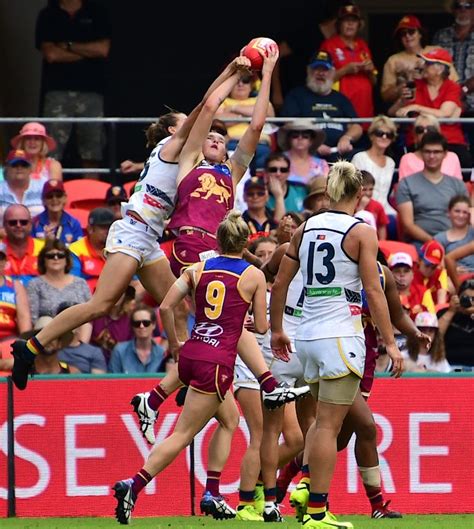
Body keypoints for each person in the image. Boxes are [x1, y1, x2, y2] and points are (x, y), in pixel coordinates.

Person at [112, 211, 269, 524]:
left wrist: (174, 344)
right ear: (245, 241)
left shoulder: (198, 268)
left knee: (229, 419)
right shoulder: (254, 275)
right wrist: (246, 320)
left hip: (193, 350)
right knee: (182, 434)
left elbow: (167, 306)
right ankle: (135, 484)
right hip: (217, 360)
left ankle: (211, 490)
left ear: (218, 239)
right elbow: (262, 328)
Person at [270, 161, 403, 528]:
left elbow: (280, 283)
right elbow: (374, 291)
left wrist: (277, 329)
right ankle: (317, 511)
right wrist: (390, 344)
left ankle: (304, 492)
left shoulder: (306, 227)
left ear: (329, 191)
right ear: (359, 194)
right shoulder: (361, 232)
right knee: (329, 427)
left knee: (319, 424)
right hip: (341, 336)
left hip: (307, 338)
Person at [35, 0, 112, 171]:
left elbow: (102, 49)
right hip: (57, 91)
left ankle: (92, 195)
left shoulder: (97, 12)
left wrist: (69, 46)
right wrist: (86, 54)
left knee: (92, 153)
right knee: (50, 152)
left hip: (92, 91)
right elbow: (51, 54)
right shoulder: (48, 14)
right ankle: (50, 193)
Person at [390, 48, 472, 172]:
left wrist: (415, 107)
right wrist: (402, 101)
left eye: (428, 64)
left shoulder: (452, 87)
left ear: (439, 69)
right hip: (418, 141)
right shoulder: (415, 85)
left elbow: (444, 114)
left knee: (464, 162)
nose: (423, 66)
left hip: (449, 141)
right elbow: (393, 113)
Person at [280, 51, 363, 163]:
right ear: (308, 71)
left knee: (361, 157)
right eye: (316, 69)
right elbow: (289, 125)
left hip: (340, 151)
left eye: (325, 70)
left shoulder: (341, 98)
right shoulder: (296, 96)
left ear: (332, 73)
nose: (321, 73)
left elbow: (356, 126)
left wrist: (346, 138)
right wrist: (313, 144)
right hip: (308, 151)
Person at [396, 131, 468, 249]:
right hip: (421, 243)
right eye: (427, 152)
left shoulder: (458, 185)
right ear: (421, 153)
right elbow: (408, 225)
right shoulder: (406, 183)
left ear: (445, 154)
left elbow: (467, 218)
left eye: (437, 152)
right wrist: (435, 243)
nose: (432, 156)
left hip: (455, 243)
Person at [381, 15, 458, 104]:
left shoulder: (436, 51)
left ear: (420, 33)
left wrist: (425, 76)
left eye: (411, 31)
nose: (407, 36)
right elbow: (385, 96)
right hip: (407, 110)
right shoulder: (393, 60)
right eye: (403, 33)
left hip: (438, 107)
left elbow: (454, 82)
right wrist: (404, 84)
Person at [320, 3, 376, 119]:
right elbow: (321, 80)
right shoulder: (329, 45)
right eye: (346, 20)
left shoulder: (363, 45)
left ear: (359, 25)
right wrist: (345, 70)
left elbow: (374, 81)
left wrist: (370, 70)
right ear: (339, 24)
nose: (350, 24)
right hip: (340, 109)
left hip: (365, 110)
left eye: (354, 21)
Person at [433, 1, 474, 155]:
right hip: (445, 106)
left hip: (472, 104)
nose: (463, 10)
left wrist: (462, 90)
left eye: (468, 6)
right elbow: (433, 66)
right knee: (448, 150)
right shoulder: (441, 35)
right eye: (458, 6)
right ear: (452, 10)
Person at [215, 71, 275, 173]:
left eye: (245, 81)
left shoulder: (259, 99)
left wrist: (234, 108)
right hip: (232, 143)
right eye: (237, 81)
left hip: (260, 144)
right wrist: (252, 116)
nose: (240, 84)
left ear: (251, 85)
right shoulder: (222, 101)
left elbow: (268, 113)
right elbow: (218, 121)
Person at [26, 240, 91, 324]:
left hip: (77, 329)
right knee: (45, 320)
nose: (56, 258)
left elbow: (90, 313)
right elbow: (33, 318)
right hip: (47, 331)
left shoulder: (81, 283)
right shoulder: (34, 284)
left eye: (60, 255)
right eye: (50, 256)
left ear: (67, 259)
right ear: (43, 259)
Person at [351, 115, 397, 219]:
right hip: (363, 208)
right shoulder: (360, 158)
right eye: (380, 133)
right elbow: (352, 189)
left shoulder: (391, 163)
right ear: (371, 136)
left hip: (385, 209)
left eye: (388, 134)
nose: (384, 137)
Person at [398, 114, 463, 180]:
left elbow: (458, 187)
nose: (425, 133)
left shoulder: (452, 157)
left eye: (430, 129)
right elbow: (404, 187)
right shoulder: (407, 159)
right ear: (415, 135)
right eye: (420, 130)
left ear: (438, 132)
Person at [68, 207, 114, 293]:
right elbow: (73, 285)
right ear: (90, 229)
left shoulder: (119, 248)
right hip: (87, 301)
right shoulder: (76, 250)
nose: (108, 231)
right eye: (103, 227)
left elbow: (134, 280)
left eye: (111, 227)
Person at [108, 305, 165, 374]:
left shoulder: (162, 353)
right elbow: (113, 381)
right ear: (132, 327)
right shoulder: (120, 351)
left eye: (146, 323)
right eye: (137, 323)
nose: (141, 326)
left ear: (153, 325)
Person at [91, 285, 135, 364]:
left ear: (125, 295)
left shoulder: (129, 319)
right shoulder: (95, 316)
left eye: (120, 291)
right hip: (96, 363)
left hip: (122, 364)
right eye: (111, 291)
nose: (116, 295)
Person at [57, 302, 106, 373]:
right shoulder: (50, 350)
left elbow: (99, 381)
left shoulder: (94, 352)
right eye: (65, 318)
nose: (69, 322)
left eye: (74, 318)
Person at [276, 120, 328, 185]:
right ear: (289, 139)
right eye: (295, 136)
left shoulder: (322, 164)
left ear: (311, 141)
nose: (300, 138)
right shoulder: (278, 161)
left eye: (305, 136)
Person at [31, 179, 83, 244]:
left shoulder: (74, 224)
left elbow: (77, 252)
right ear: (43, 200)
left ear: (65, 198)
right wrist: (46, 243)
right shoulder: (34, 223)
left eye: (58, 195)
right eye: (50, 196)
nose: (54, 199)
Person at [3, 205, 45, 286]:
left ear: (30, 225)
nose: (18, 225)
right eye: (12, 222)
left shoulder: (45, 250)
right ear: (4, 225)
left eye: (23, 222)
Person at [0, 150, 45, 225]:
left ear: (30, 169)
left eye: (24, 165)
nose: (19, 168)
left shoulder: (43, 186)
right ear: (6, 168)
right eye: (14, 165)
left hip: (39, 235)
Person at [437, 278, 474, 369]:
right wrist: (451, 311)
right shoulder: (445, 313)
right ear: (458, 297)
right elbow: (433, 338)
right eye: (466, 298)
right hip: (447, 366)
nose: (470, 302)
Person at [0, 242, 31, 340]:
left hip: (8, 340)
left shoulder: (15, 286)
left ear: (5, 262)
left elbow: (24, 318)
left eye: (0, 258)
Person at [388, 252, 434, 319]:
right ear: (390, 274)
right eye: (397, 271)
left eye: (406, 271)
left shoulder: (423, 292)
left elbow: (432, 319)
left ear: (412, 274)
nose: (402, 275)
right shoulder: (384, 292)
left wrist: (421, 313)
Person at [435, 194, 474, 273]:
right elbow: (438, 266)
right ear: (449, 213)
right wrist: (451, 270)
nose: (461, 215)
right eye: (457, 211)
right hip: (454, 278)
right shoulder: (440, 238)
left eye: (465, 212)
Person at [358, 170, 388, 241]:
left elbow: (382, 227)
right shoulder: (351, 204)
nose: (368, 193)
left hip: (373, 241)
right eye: (364, 190)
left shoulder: (378, 206)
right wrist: (361, 207)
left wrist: (381, 243)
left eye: (371, 189)